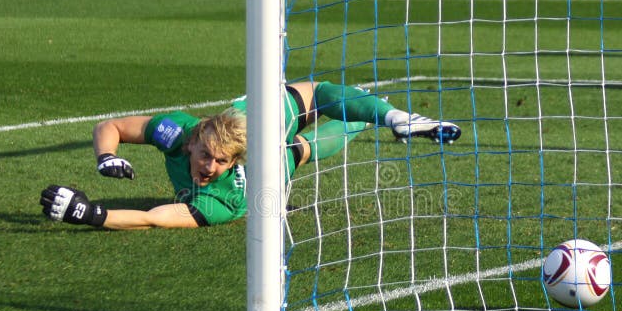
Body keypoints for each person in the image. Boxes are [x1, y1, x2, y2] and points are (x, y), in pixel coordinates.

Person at [39, 81, 461, 230]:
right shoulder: (180, 132)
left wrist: (92, 215)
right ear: (192, 142)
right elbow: (109, 127)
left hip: (262, 168)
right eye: (206, 156)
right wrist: (105, 157)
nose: (210, 167)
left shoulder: (219, 196)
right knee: (301, 148)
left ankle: (389, 115)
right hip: (260, 161)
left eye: (221, 161)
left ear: (233, 159)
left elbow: (154, 216)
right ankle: (369, 115)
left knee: (309, 110)